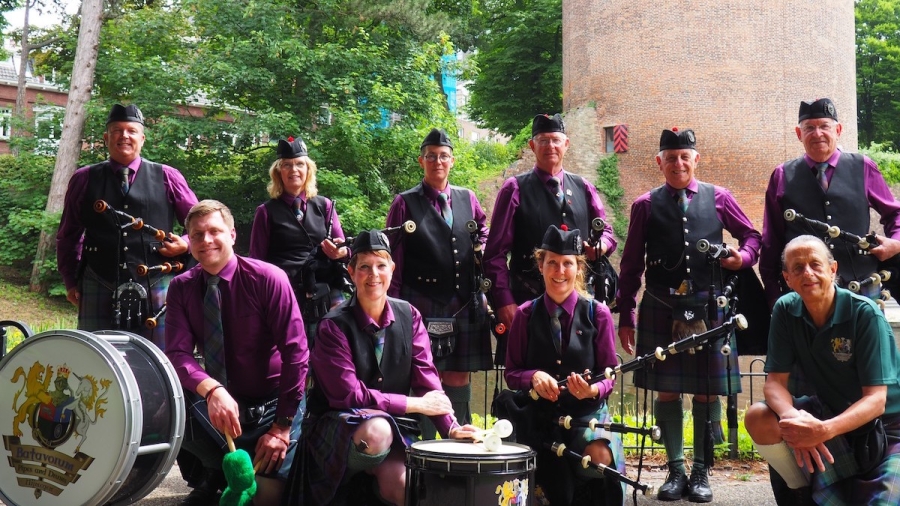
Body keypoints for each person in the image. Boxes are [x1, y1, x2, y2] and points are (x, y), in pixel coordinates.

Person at [615, 128, 762, 503]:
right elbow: (630, 265)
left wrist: (742, 258)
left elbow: (752, 237)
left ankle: (700, 472)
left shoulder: (719, 197)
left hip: (709, 306)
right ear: (659, 162)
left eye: (685, 156)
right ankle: (676, 470)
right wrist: (626, 313)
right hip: (661, 305)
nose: (678, 163)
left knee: (706, 390)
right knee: (667, 390)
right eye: (671, 157)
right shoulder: (645, 205)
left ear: (696, 159)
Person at [294, 230, 478, 506]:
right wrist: (414, 404)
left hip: (393, 428)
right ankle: (346, 487)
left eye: (381, 265)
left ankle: (372, 488)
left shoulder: (410, 315)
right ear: (351, 272)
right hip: (339, 426)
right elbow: (348, 396)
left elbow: (427, 379)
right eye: (364, 267)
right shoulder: (332, 326)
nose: (374, 275)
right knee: (377, 431)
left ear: (392, 269)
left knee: (405, 488)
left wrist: (451, 427)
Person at [165, 200, 309, 505]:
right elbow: (177, 353)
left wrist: (281, 427)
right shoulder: (180, 287)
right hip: (217, 402)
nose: (206, 240)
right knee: (164, 401)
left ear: (232, 234)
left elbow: (296, 354)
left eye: (214, 231)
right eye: (197, 235)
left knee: (265, 497)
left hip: (272, 404)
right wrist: (212, 390)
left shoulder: (269, 279)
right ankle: (214, 468)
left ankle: (232, 471)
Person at [745, 235, 900, 505]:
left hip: (887, 426)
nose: (807, 273)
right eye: (797, 267)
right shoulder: (785, 309)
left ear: (832, 269)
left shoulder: (865, 314)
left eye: (815, 264)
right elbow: (774, 382)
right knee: (759, 416)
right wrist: (794, 420)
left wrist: (824, 430)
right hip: (828, 412)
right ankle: (800, 494)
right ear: (787, 278)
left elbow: (876, 400)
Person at [57, 103, 198, 348]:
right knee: (95, 357)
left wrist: (185, 244)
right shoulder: (83, 178)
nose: (124, 136)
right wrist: (70, 280)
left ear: (142, 139)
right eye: (117, 130)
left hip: (156, 282)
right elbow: (69, 235)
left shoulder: (168, 176)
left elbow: (199, 223)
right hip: (98, 280)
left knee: (160, 357)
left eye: (132, 131)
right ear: (106, 138)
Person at [503, 225, 625, 506]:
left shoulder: (599, 313)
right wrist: (534, 376)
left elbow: (609, 375)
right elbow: (511, 373)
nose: (560, 271)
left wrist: (592, 391)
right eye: (552, 263)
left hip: (586, 413)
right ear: (541, 265)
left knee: (598, 458)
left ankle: (580, 491)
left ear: (578, 267)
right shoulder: (524, 314)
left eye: (567, 263)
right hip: (538, 418)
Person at [385, 128, 492, 438]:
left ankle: (459, 443)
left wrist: (481, 247)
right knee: (422, 376)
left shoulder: (467, 198)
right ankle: (421, 446)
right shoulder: (404, 203)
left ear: (452, 161)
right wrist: (393, 307)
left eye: (443, 156)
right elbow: (393, 257)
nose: (438, 162)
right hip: (419, 302)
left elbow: (483, 230)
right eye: (431, 156)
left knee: (458, 375)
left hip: (463, 302)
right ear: (421, 161)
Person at [760, 98, 900, 308]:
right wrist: (773, 292)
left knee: (868, 330)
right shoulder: (782, 175)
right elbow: (771, 239)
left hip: (860, 284)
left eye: (824, 126)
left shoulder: (863, 167)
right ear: (799, 134)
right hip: (804, 286)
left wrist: (896, 242)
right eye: (809, 128)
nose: (817, 134)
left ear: (838, 130)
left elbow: (895, 214)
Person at [484, 113, 616, 332]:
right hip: (528, 299)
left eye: (556, 140)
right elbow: (494, 254)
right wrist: (504, 301)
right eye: (543, 140)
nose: (550, 146)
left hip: (579, 301)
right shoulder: (514, 188)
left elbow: (606, 231)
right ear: (532, 146)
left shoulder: (584, 187)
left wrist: (602, 246)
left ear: (566, 144)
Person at [250, 136, 349, 338]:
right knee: (294, 350)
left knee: (335, 346)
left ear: (308, 170)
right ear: (278, 172)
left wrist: (341, 252)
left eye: (299, 164)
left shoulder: (325, 206)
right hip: (285, 293)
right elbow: (257, 263)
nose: (294, 170)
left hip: (325, 290)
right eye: (287, 165)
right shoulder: (266, 212)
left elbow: (347, 251)